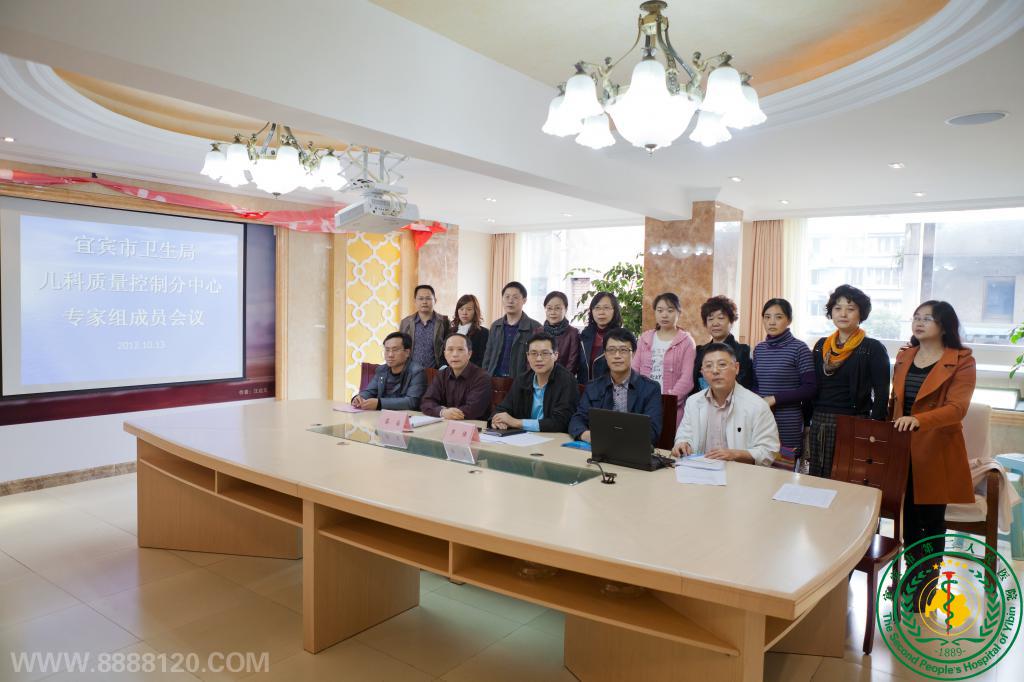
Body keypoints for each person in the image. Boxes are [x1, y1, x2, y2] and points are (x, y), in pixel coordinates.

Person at [890, 301, 976, 606]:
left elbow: (957, 408)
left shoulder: (962, 360)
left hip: (937, 451)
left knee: (931, 522)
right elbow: (896, 402)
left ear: (944, 325)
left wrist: (919, 419)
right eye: (916, 317)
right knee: (909, 520)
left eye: (927, 318)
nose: (919, 322)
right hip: (904, 448)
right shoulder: (905, 355)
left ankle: (927, 588)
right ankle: (910, 580)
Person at [806, 284, 890, 478]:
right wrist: (807, 421)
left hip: (854, 421)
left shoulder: (872, 348)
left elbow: (882, 392)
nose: (843, 314)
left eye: (850, 309)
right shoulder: (821, 346)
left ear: (861, 314)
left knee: (848, 477)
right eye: (837, 308)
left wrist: (874, 427)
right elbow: (814, 386)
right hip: (820, 419)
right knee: (818, 477)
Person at [672, 343, 780, 466]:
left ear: (736, 368)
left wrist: (735, 455)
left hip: (740, 473)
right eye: (708, 366)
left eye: (722, 364)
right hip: (699, 469)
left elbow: (768, 451)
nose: (715, 371)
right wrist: (683, 444)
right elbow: (684, 434)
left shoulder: (757, 405)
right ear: (702, 372)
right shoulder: (693, 402)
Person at [569, 328, 662, 445]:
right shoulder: (593, 387)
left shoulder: (650, 388)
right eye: (611, 350)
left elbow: (653, 431)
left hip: (633, 449)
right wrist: (588, 435)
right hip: (599, 448)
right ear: (605, 354)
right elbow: (577, 420)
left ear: (633, 353)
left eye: (623, 350)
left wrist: (615, 438)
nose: (617, 356)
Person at [752, 298, 817, 464]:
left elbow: (810, 388)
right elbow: (756, 384)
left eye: (778, 317)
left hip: (788, 421)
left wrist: (775, 398)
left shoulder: (799, 348)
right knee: (759, 467)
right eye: (767, 317)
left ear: (789, 320)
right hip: (761, 418)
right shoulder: (759, 349)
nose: (771, 322)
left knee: (783, 469)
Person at [491, 332, 580, 433]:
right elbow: (502, 408)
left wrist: (516, 423)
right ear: (527, 356)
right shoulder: (522, 380)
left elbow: (561, 422)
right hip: (523, 437)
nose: (539, 359)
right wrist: (497, 420)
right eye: (533, 353)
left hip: (554, 438)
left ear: (555, 355)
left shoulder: (567, 381)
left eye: (545, 353)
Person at [632, 293, 695, 426]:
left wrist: (666, 401)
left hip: (672, 409)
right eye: (660, 310)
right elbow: (634, 371)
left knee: (668, 438)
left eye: (670, 310)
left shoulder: (686, 341)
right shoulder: (645, 339)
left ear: (679, 312)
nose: (664, 315)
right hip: (643, 405)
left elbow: (687, 379)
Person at [420, 333, 493, 421]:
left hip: (473, 425)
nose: (455, 354)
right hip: (445, 423)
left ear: (469, 354)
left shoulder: (482, 377)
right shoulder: (441, 375)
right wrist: (443, 412)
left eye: (460, 349)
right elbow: (426, 402)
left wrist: (447, 412)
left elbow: (473, 409)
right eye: (450, 349)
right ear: (445, 354)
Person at [692, 295, 753, 394]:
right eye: (710, 319)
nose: (715, 323)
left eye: (720, 318)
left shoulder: (743, 351)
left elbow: (744, 385)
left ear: (731, 321)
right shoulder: (699, 351)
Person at [351, 332, 426, 411]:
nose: (390, 355)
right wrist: (359, 398)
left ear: (407, 353)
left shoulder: (417, 372)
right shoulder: (381, 370)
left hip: (406, 416)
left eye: (395, 350)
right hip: (381, 415)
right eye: (387, 350)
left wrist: (379, 404)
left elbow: (412, 402)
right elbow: (370, 392)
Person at [481, 281, 542, 378]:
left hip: (520, 381)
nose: (510, 301)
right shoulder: (496, 326)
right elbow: (488, 356)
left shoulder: (535, 327)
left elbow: (537, 359)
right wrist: (484, 377)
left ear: (524, 300)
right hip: (494, 379)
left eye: (515, 297)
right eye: (507, 297)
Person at [399, 284, 449, 369]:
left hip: (437, 371)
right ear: (415, 301)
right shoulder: (406, 322)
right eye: (421, 298)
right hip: (411, 371)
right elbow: (401, 347)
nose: (424, 302)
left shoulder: (444, 322)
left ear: (435, 300)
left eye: (428, 298)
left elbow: (448, 347)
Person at [579, 292, 622, 383]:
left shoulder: (622, 337)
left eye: (606, 308)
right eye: (597, 308)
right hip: (584, 388)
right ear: (592, 311)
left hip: (610, 389)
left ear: (615, 311)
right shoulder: (584, 335)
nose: (601, 312)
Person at [542, 291, 581, 378]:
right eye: (549, 308)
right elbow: (531, 359)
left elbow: (572, 363)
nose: (553, 312)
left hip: (564, 381)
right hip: (540, 379)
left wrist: (560, 381)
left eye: (557, 308)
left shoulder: (573, 333)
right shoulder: (538, 332)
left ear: (566, 309)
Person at [449, 294, 488, 367]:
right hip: (449, 371)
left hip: (472, 372)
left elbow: (482, 359)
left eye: (469, 309)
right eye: (461, 309)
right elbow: (444, 354)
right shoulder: (450, 331)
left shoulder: (484, 333)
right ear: (457, 311)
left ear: (475, 311)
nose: (464, 313)